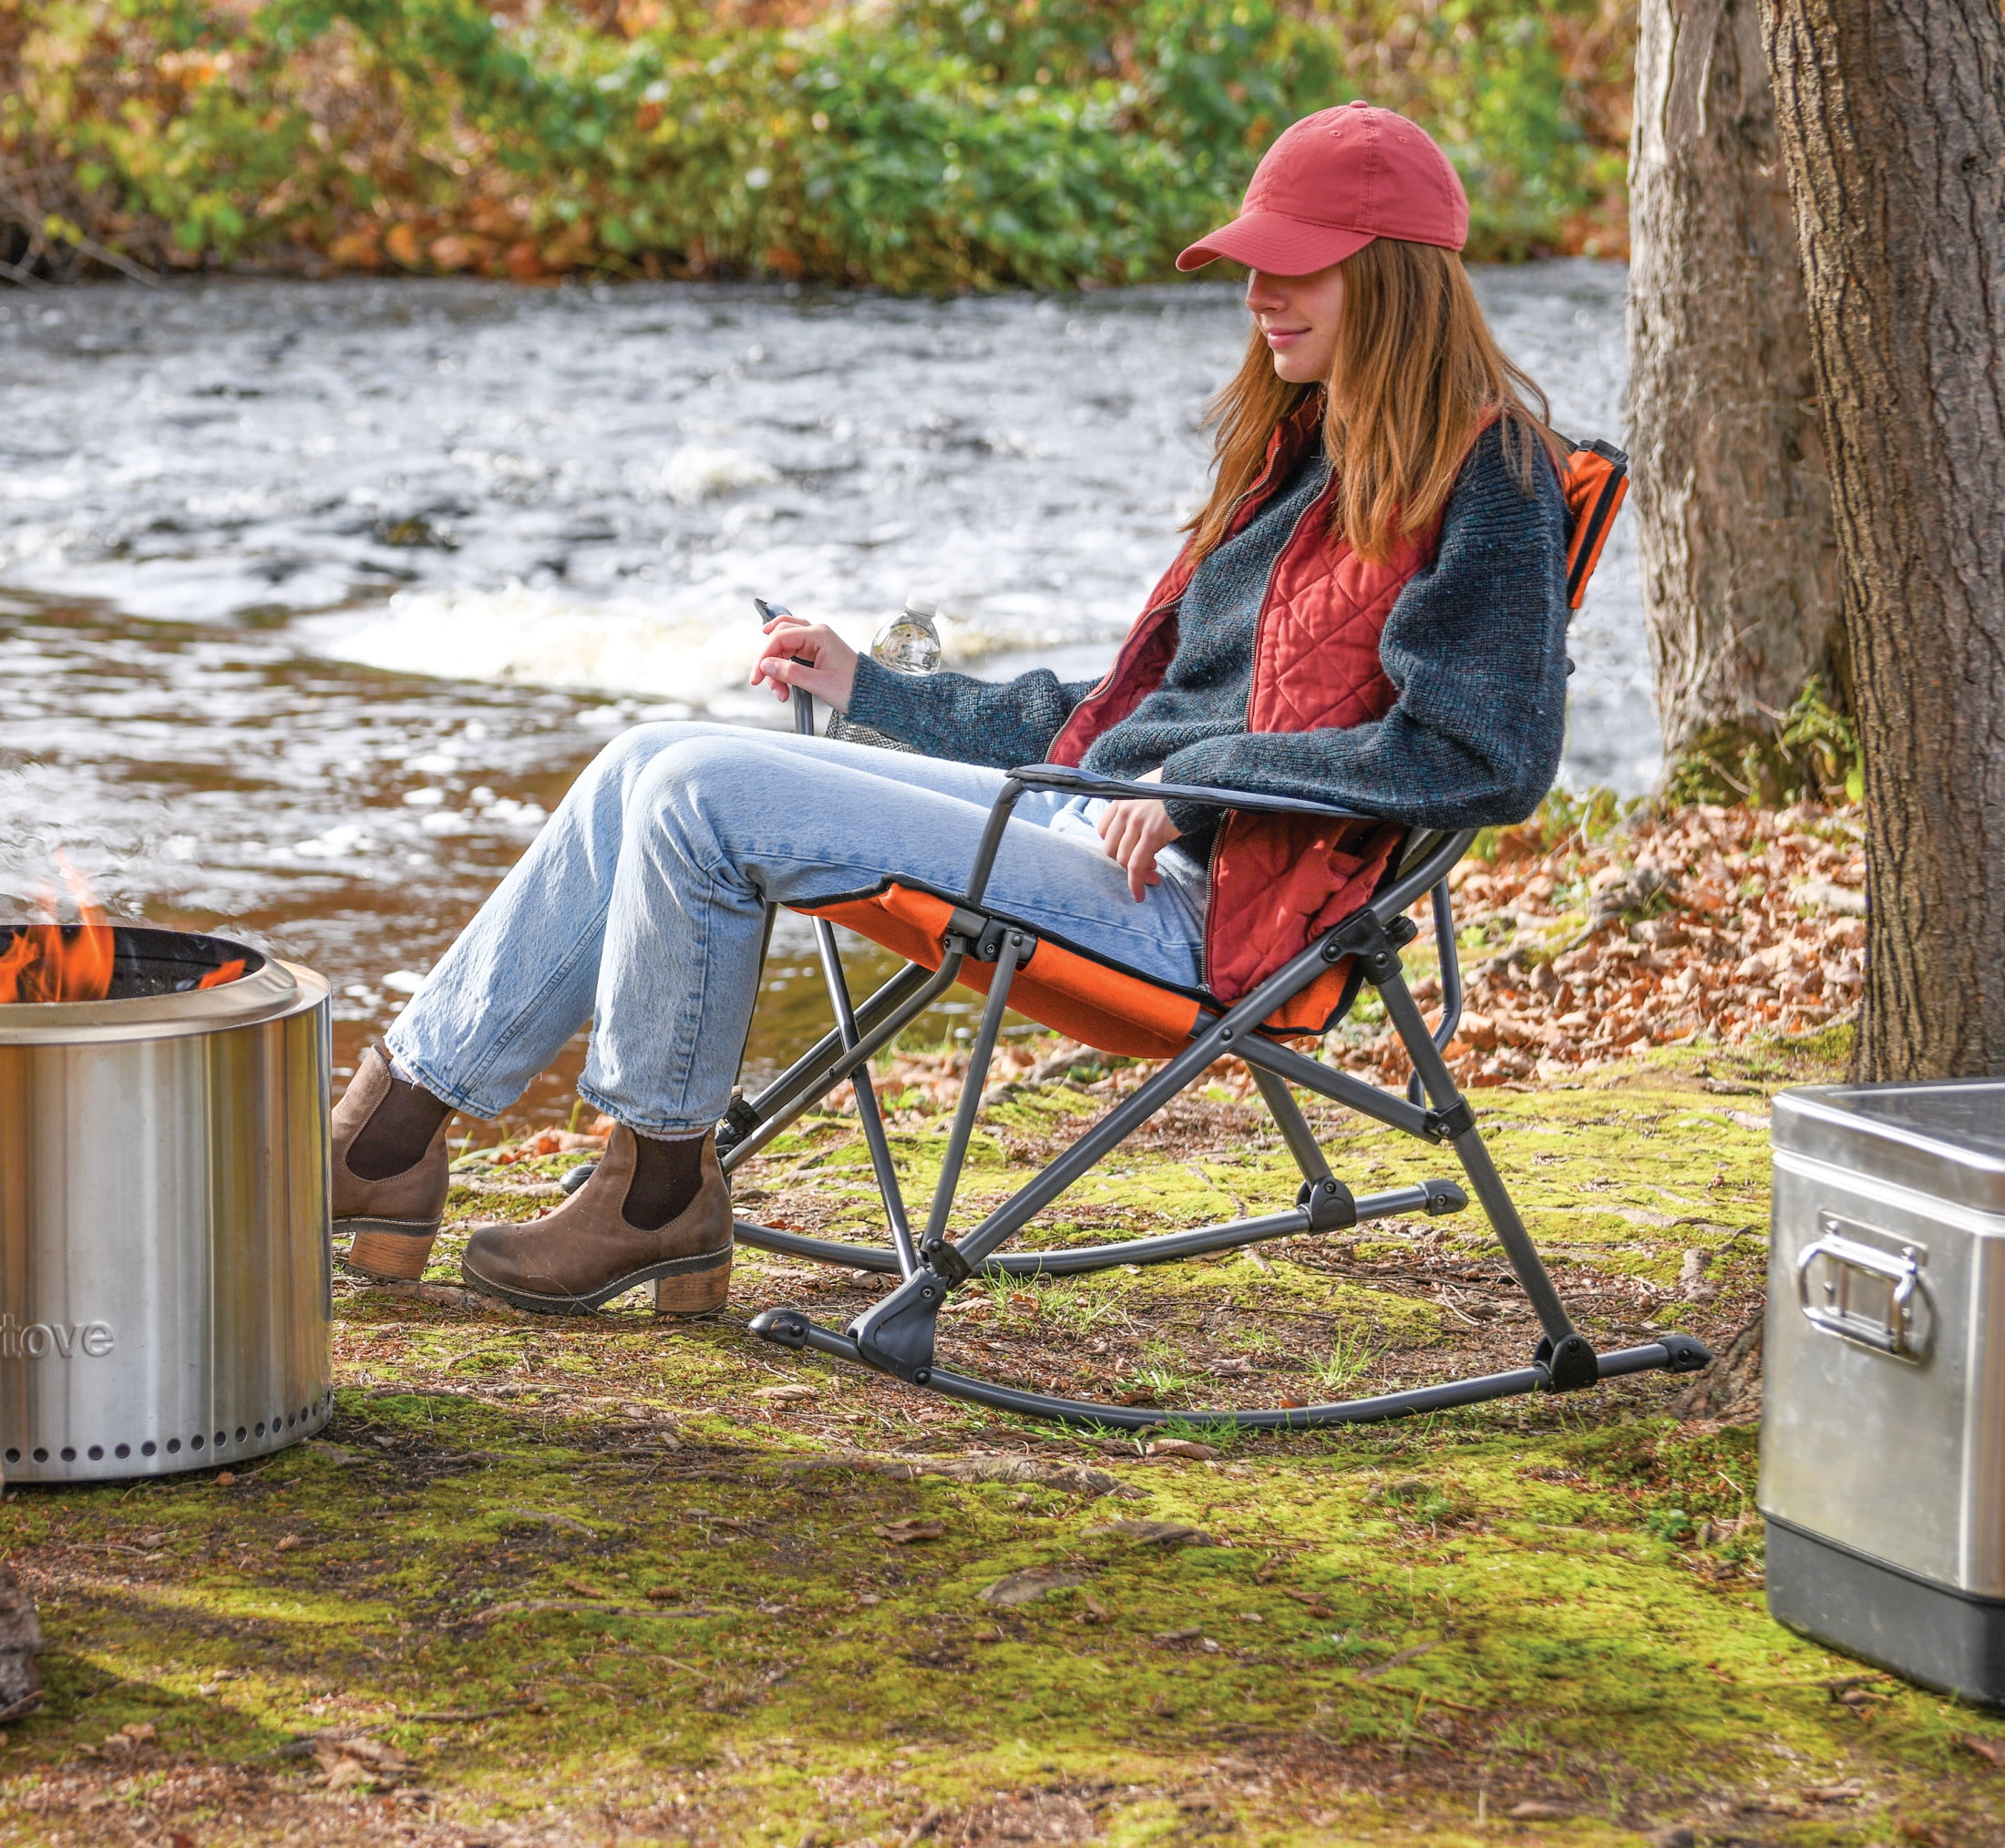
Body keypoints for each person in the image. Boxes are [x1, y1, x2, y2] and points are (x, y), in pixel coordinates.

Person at [330, 100, 1572, 1316]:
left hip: (1209, 911)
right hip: (1095, 827)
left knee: (702, 801)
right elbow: (1114, 721)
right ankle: (390, 1138)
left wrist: (1202, 784)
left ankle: (655, 1200)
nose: (1258, 296)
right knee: (646, 755)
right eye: (1250, 266)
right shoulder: (1302, 455)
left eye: (1296, 269)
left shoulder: (1494, 472)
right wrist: (876, 691)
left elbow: (1482, 754)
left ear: (1396, 278)